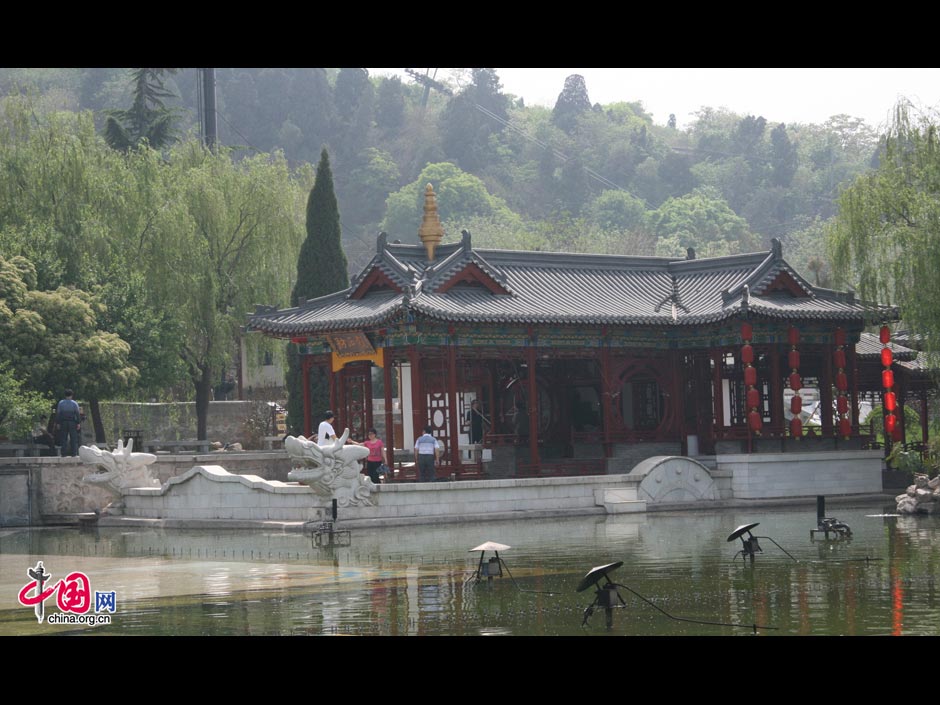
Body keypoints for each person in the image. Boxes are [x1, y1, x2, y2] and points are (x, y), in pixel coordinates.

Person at [55, 389, 82, 457]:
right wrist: (78, 423)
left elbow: (58, 413)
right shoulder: (74, 403)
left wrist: (58, 423)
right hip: (72, 422)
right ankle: (74, 453)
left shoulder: (61, 403)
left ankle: (63, 453)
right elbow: (77, 413)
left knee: (63, 438)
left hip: (63, 422)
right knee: (73, 438)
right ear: (72, 395)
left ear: (65, 395)